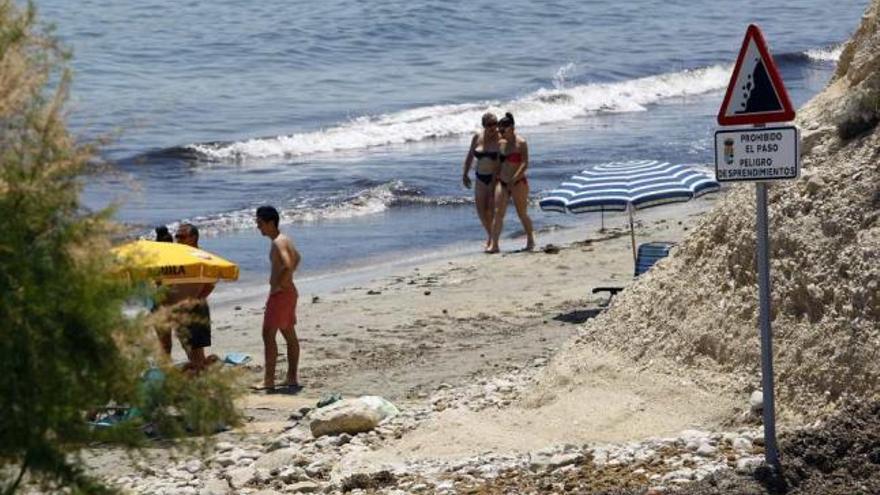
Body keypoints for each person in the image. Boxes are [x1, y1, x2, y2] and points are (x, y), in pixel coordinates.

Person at [255, 206, 302, 391]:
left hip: (281, 295)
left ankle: (269, 380)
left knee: (268, 334)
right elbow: (298, 258)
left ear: (270, 223)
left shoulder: (278, 242)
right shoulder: (284, 239)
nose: (258, 227)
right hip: (288, 293)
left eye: (260, 223)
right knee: (289, 334)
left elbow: (289, 264)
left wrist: (279, 285)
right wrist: (285, 282)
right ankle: (291, 378)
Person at [159, 223, 215, 372]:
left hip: (194, 308)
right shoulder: (176, 257)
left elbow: (210, 284)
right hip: (177, 309)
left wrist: (193, 302)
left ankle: (205, 376)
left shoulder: (202, 257)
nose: (178, 240)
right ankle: (204, 372)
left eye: (182, 237)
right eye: (177, 236)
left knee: (195, 352)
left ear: (193, 238)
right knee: (188, 349)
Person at [489, 112, 535, 253]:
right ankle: (494, 244)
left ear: (512, 128)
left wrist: (514, 178)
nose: (501, 132)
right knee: (498, 213)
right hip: (502, 182)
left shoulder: (521, 143)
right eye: (499, 130)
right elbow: (498, 164)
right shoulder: (500, 143)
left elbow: (525, 163)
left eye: (503, 130)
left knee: (522, 213)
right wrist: (494, 180)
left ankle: (531, 240)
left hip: (518, 182)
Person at [462, 112, 502, 252]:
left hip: (495, 178)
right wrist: (465, 174)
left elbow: (504, 161)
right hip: (480, 177)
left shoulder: (501, 139)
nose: (493, 127)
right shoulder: (477, 137)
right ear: (484, 125)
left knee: (491, 210)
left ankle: (493, 242)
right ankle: (491, 236)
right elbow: (470, 156)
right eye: (490, 125)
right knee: (481, 211)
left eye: (495, 124)